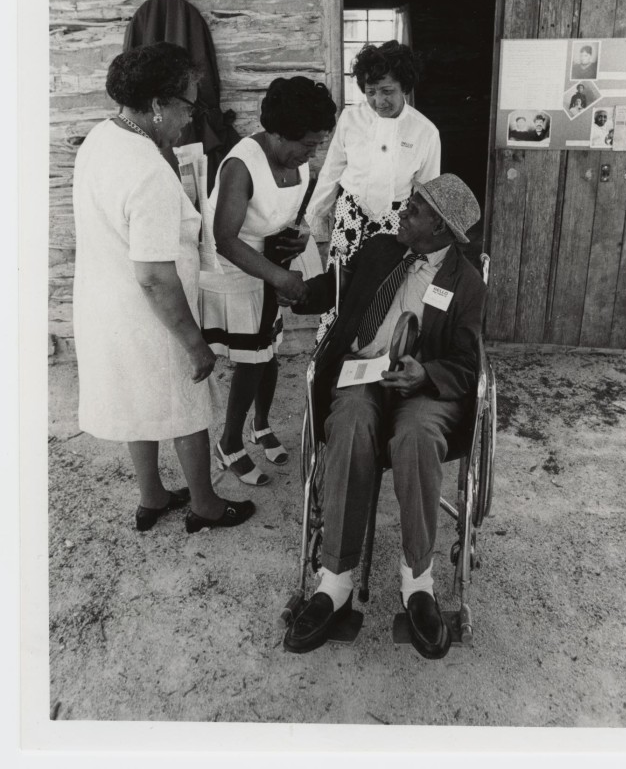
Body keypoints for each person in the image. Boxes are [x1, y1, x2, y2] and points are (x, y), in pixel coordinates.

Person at [282, 174, 486, 659]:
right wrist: (286, 287)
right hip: (361, 372)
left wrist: (426, 373)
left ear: (440, 228)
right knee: (350, 423)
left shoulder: (466, 284)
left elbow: (467, 364)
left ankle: (418, 584)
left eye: (415, 207)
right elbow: (336, 287)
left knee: (417, 436)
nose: (404, 210)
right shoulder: (379, 250)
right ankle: (335, 583)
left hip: (424, 387)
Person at [72, 42, 254, 534]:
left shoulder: (101, 139)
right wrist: (195, 344)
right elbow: (154, 274)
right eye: (187, 107)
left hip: (110, 307)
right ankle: (206, 506)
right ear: (157, 106)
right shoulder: (147, 170)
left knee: (140, 400)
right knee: (186, 405)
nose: (190, 120)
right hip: (152, 312)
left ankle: (152, 496)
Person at [199, 77, 337, 486]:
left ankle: (260, 424)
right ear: (279, 133)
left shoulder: (295, 158)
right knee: (252, 358)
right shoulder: (242, 165)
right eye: (308, 144)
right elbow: (224, 238)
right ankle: (228, 443)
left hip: (272, 261)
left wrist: (302, 236)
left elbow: (290, 212)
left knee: (270, 349)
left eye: (317, 144)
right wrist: (278, 275)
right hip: (237, 267)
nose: (313, 152)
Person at [305, 40, 441, 337]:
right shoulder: (351, 119)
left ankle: (373, 356)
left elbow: (428, 193)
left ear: (404, 86)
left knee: (382, 291)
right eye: (370, 92)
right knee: (340, 285)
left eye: (387, 91)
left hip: (396, 222)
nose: (378, 100)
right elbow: (332, 170)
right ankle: (332, 351)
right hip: (351, 214)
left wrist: (422, 239)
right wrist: (313, 218)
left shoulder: (425, 131)